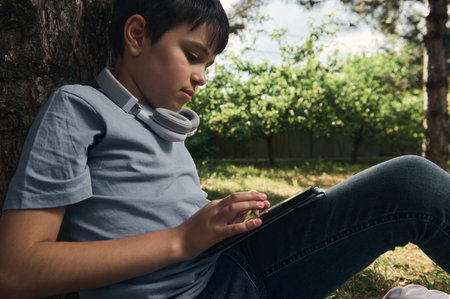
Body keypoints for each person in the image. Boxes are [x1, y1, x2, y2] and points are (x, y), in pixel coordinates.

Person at [0, 0, 448, 298]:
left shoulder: (160, 125)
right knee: (414, 180)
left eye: (209, 64)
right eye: (192, 55)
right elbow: (16, 269)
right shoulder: (80, 108)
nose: (202, 78)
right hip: (208, 287)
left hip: (233, 264)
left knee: (412, 183)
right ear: (136, 36)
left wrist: (217, 221)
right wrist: (181, 240)